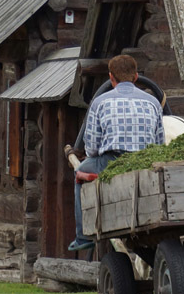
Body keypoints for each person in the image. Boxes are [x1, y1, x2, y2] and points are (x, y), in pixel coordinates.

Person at [69, 54, 164, 252]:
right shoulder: (153, 102)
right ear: (136, 76)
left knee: (79, 174)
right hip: (144, 163)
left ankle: (83, 236)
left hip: (111, 161)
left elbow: (92, 147)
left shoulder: (100, 102)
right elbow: (159, 145)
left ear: (111, 78)